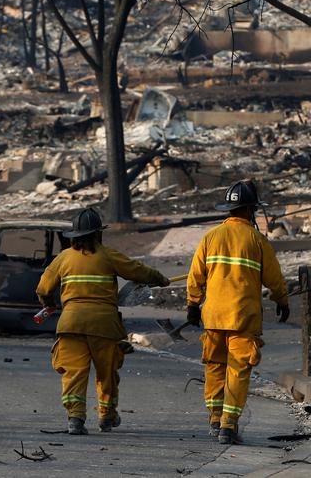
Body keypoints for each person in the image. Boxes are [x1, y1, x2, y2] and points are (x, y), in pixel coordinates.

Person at [37, 207, 169, 435]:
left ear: (74, 236)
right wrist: (160, 278)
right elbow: (138, 271)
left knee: (74, 373)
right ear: (98, 234)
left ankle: (75, 419)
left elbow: (43, 288)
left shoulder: (63, 259)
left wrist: (48, 304)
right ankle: (106, 416)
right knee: (106, 373)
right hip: (105, 326)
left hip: (71, 324)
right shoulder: (108, 255)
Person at [186, 180, 289, 445]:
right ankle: (228, 425)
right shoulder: (257, 240)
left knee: (215, 368)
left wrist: (192, 305)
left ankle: (214, 418)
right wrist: (282, 301)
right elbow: (274, 279)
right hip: (243, 318)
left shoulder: (211, 237)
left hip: (214, 317)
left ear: (230, 209)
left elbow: (195, 276)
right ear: (249, 210)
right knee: (237, 371)